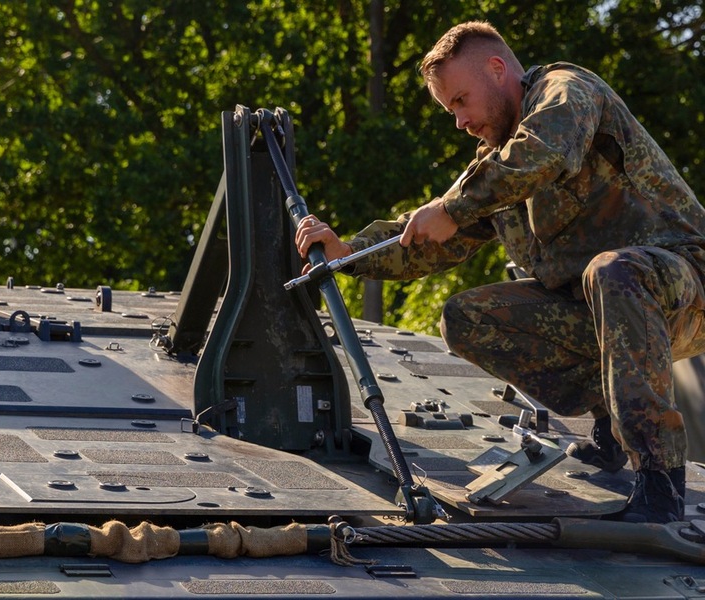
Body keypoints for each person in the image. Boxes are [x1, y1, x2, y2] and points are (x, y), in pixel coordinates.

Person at [295, 21, 705, 524]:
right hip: (609, 313)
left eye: (462, 101)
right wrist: (346, 252)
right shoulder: (496, 164)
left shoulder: (566, 92)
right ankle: (609, 416)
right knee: (466, 317)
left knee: (612, 271)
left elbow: (543, 154)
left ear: (497, 70)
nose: (460, 121)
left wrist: (456, 208)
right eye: (451, 109)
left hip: (684, 287)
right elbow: (426, 241)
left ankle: (660, 482)